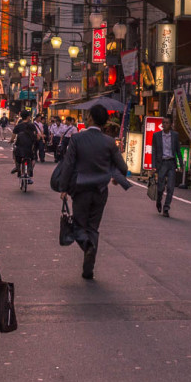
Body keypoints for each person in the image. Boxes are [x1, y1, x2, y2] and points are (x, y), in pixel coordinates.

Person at [58, 104, 129, 280]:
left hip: (81, 189)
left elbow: (68, 165)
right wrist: (114, 176)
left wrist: (63, 188)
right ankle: (88, 267)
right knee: (93, 227)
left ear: (90, 118)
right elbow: (123, 167)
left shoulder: (77, 139)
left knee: (79, 226)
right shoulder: (109, 142)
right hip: (100, 191)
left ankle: (87, 245)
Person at [152, 115, 184, 218]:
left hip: (171, 163)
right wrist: (153, 166)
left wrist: (180, 164)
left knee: (170, 188)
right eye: (163, 122)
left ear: (170, 125)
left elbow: (178, 150)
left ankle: (166, 208)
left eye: (166, 123)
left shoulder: (175, 135)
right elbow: (154, 151)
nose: (164, 124)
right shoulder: (156, 135)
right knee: (160, 188)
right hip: (161, 164)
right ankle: (158, 200)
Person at [10, 110, 37, 183]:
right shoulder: (32, 125)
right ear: (28, 117)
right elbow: (36, 135)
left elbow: (13, 137)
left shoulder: (18, 126)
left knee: (15, 154)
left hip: (20, 148)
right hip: (29, 148)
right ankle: (30, 172)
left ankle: (17, 167)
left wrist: (11, 141)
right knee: (33, 159)